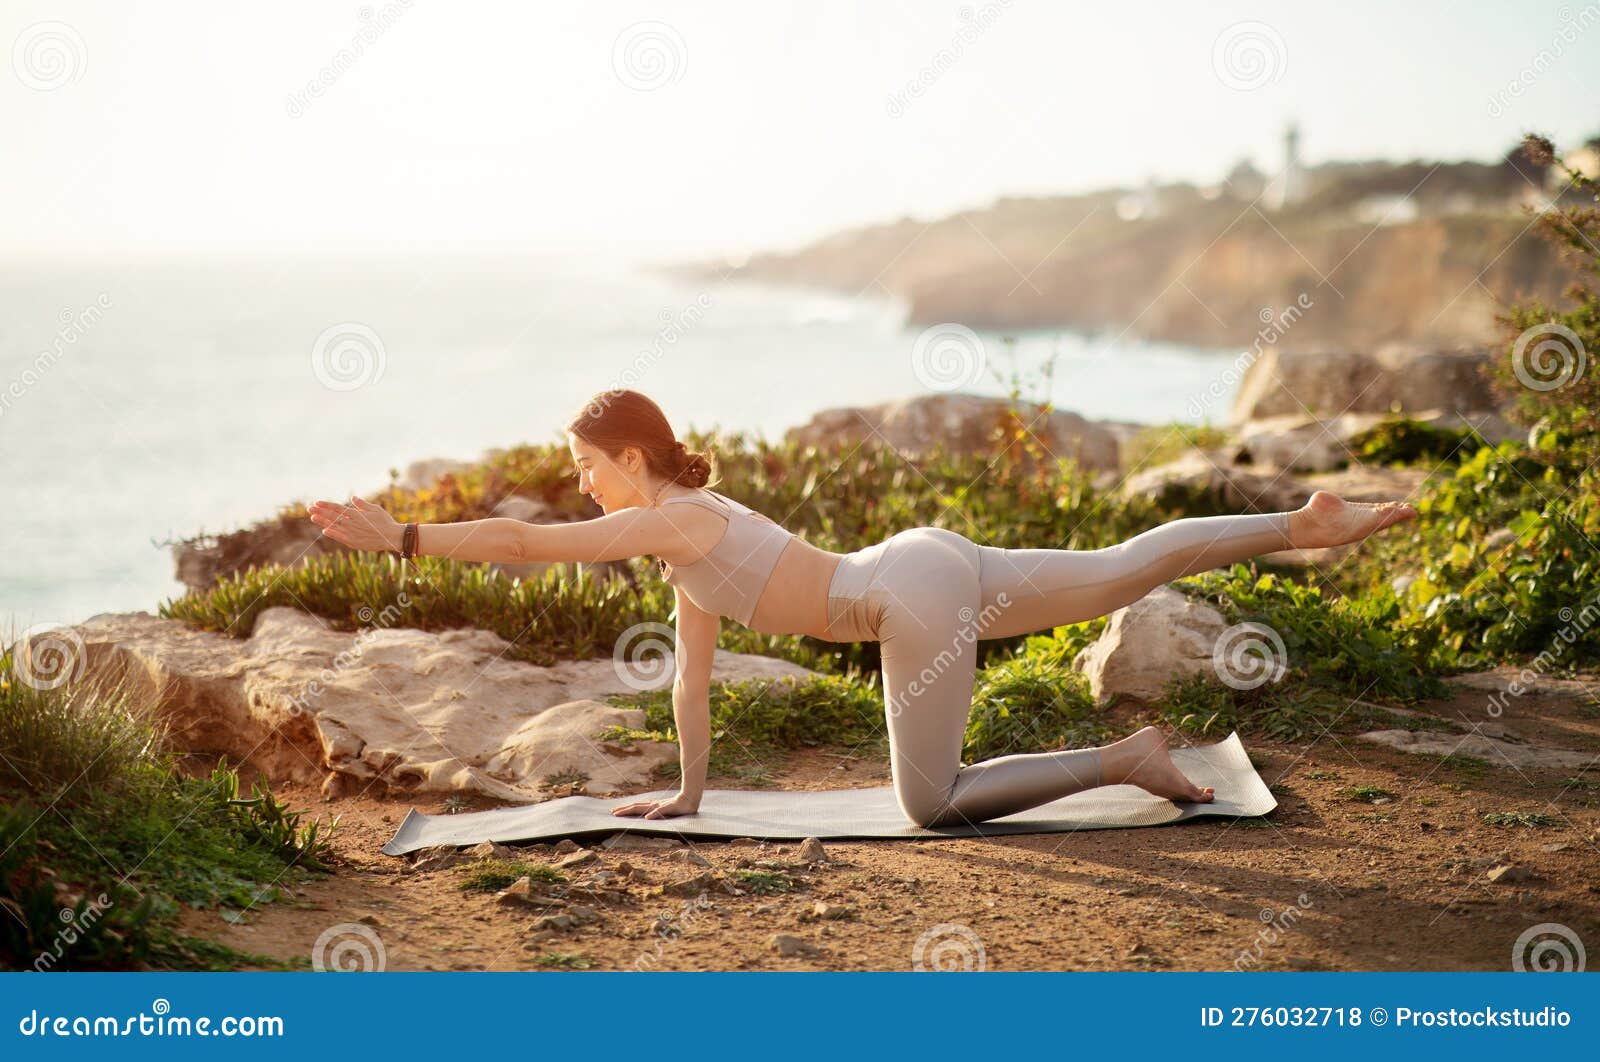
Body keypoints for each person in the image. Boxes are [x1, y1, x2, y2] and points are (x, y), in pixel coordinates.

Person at [308, 388, 1418, 828]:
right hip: (919, 561)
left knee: (929, 805)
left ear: (631, 457)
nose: (581, 483)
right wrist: (689, 795)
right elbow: (689, 677)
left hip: (903, 598)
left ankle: (1123, 757)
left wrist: (401, 536)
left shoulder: (671, 520)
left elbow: (520, 544)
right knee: (1123, 562)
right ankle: (1299, 523)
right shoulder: (689, 532)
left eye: (588, 465)